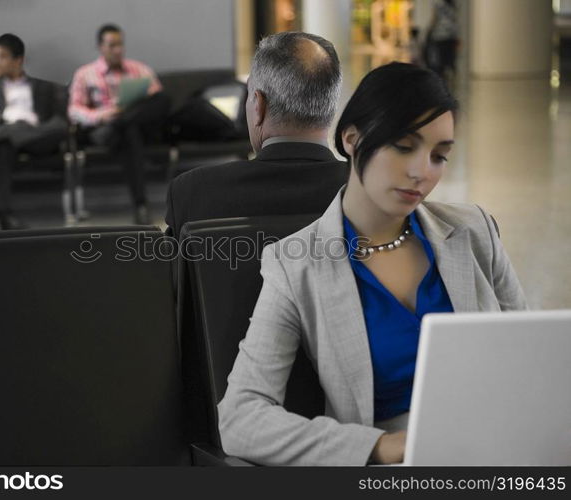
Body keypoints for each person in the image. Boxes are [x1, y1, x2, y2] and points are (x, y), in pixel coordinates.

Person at [217, 62, 527, 466]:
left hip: (498, 450)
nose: (422, 172)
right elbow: (241, 418)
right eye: (403, 146)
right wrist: (381, 446)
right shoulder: (297, 265)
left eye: (439, 155)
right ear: (351, 139)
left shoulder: (473, 231)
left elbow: (527, 361)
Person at [164, 31, 349, 238]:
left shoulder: (193, 192)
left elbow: (172, 268)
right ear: (331, 108)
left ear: (258, 105)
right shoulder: (369, 196)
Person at [68, 23, 169, 225]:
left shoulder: (139, 69)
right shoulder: (85, 74)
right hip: (104, 129)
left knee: (162, 100)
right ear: (100, 47)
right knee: (128, 131)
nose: (118, 50)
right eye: (112, 45)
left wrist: (128, 111)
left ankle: (122, 121)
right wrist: (102, 116)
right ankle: (140, 205)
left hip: (134, 124)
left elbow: (156, 102)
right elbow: (74, 110)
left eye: (120, 44)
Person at [0, 33, 68, 230]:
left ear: (18, 60)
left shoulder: (43, 86)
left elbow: (58, 121)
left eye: (2, 57)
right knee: (1, 145)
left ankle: (8, 133)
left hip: (37, 136)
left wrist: (16, 129)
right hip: (5, 138)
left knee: (58, 126)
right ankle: (4, 215)